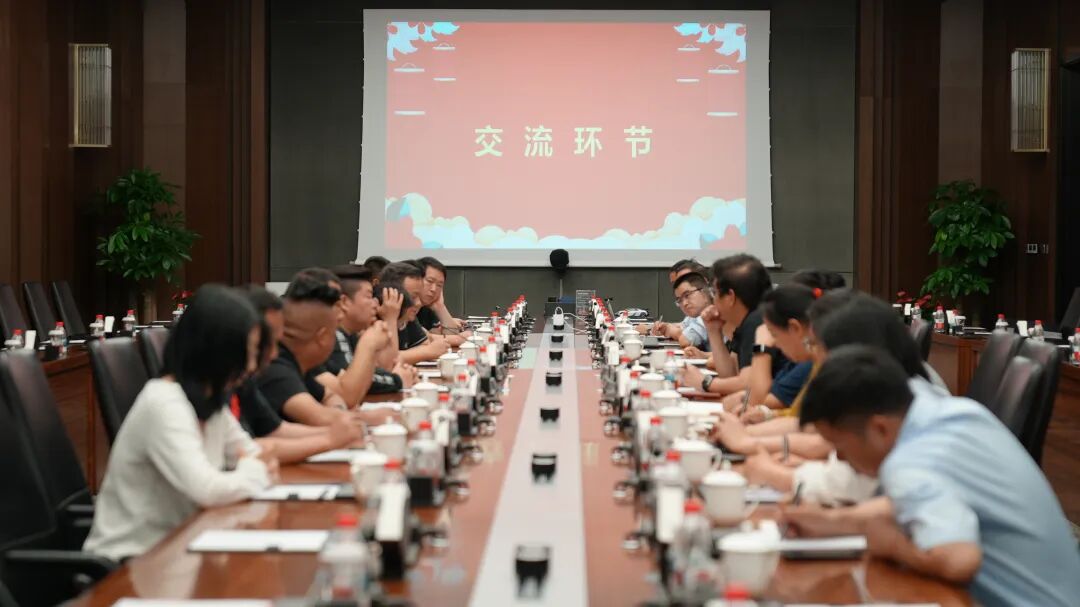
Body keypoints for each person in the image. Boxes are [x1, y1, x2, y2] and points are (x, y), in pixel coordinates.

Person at [784, 345, 1080, 606]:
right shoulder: (944, 409)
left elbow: (958, 559)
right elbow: (910, 502)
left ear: (879, 428)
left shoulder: (909, 462)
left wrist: (893, 545)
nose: (839, 458)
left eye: (839, 446)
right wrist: (831, 521)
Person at [83, 285, 276, 561]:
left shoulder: (211, 401)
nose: (252, 366)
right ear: (217, 349)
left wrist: (249, 468)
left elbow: (256, 454)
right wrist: (251, 470)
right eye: (247, 352)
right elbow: (208, 489)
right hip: (133, 562)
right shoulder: (164, 402)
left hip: (185, 547)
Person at [232, 285, 362, 464]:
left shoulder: (243, 380)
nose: (274, 353)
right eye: (266, 343)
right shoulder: (273, 369)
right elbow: (248, 449)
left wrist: (338, 433)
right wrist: (330, 438)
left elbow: (275, 430)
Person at [256, 271, 389, 426]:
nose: (340, 312)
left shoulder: (302, 360)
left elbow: (332, 397)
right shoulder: (275, 366)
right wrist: (368, 345)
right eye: (333, 302)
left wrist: (340, 413)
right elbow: (339, 402)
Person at [683, 254, 786, 395]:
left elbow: (748, 383)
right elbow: (730, 374)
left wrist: (705, 382)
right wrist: (713, 331)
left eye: (714, 293)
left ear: (730, 297)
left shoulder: (758, 321)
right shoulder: (747, 321)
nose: (713, 300)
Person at [323, 264, 417, 403]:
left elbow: (376, 370)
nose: (375, 304)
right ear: (344, 302)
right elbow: (354, 382)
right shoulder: (334, 335)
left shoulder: (351, 334)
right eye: (369, 296)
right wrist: (398, 379)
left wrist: (401, 374)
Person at [729, 284, 817, 421]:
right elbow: (795, 414)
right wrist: (768, 415)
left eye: (774, 334)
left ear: (795, 328)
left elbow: (808, 427)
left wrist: (762, 347)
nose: (774, 343)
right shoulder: (805, 360)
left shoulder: (816, 363)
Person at [380, 261, 451, 364]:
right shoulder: (375, 319)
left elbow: (424, 344)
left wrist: (423, 351)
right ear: (392, 295)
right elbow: (389, 360)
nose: (418, 303)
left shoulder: (408, 317)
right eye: (413, 297)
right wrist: (427, 352)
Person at [415, 256, 471, 346]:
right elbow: (423, 339)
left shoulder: (426, 306)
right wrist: (459, 339)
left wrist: (440, 307)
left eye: (439, 285)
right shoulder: (405, 306)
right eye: (429, 281)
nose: (433, 289)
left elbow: (449, 334)